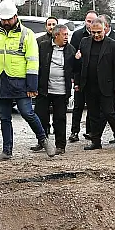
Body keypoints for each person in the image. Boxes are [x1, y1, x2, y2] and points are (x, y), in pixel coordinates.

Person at [0, 0, 52, 162]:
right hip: (0, 81)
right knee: (4, 117)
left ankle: (44, 140)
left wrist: (32, 85)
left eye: (8, 19)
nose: (5, 22)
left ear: (15, 17)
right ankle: (7, 151)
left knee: (27, 112)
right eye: (3, 20)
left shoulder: (27, 34)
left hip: (20, 82)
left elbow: (33, 61)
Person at [76, 16, 115, 149]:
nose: (96, 35)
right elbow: (80, 65)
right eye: (93, 32)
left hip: (106, 85)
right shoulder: (84, 42)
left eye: (99, 32)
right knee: (93, 114)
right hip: (89, 85)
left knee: (109, 112)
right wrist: (78, 82)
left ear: (105, 29)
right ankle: (96, 141)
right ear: (90, 31)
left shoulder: (113, 44)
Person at [37, 22, 75, 155]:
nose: (66, 37)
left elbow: (75, 68)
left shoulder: (71, 49)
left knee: (59, 119)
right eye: (64, 35)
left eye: (67, 35)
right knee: (41, 116)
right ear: (56, 35)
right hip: (44, 89)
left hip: (61, 91)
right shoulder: (43, 46)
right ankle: (42, 142)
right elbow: (38, 65)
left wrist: (78, 60)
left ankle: (60, 145)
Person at [68, 11, 99, 143]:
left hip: (93, 78)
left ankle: (90, 131)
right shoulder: (78, 35)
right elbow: (73, 56)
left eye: (93, 21)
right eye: (88, 21)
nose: (90, 24)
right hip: (80, 76)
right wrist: (74, 77)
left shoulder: (98, 36)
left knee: (92, 106)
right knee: (78, 106)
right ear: (85, 21)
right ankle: (74, 131)